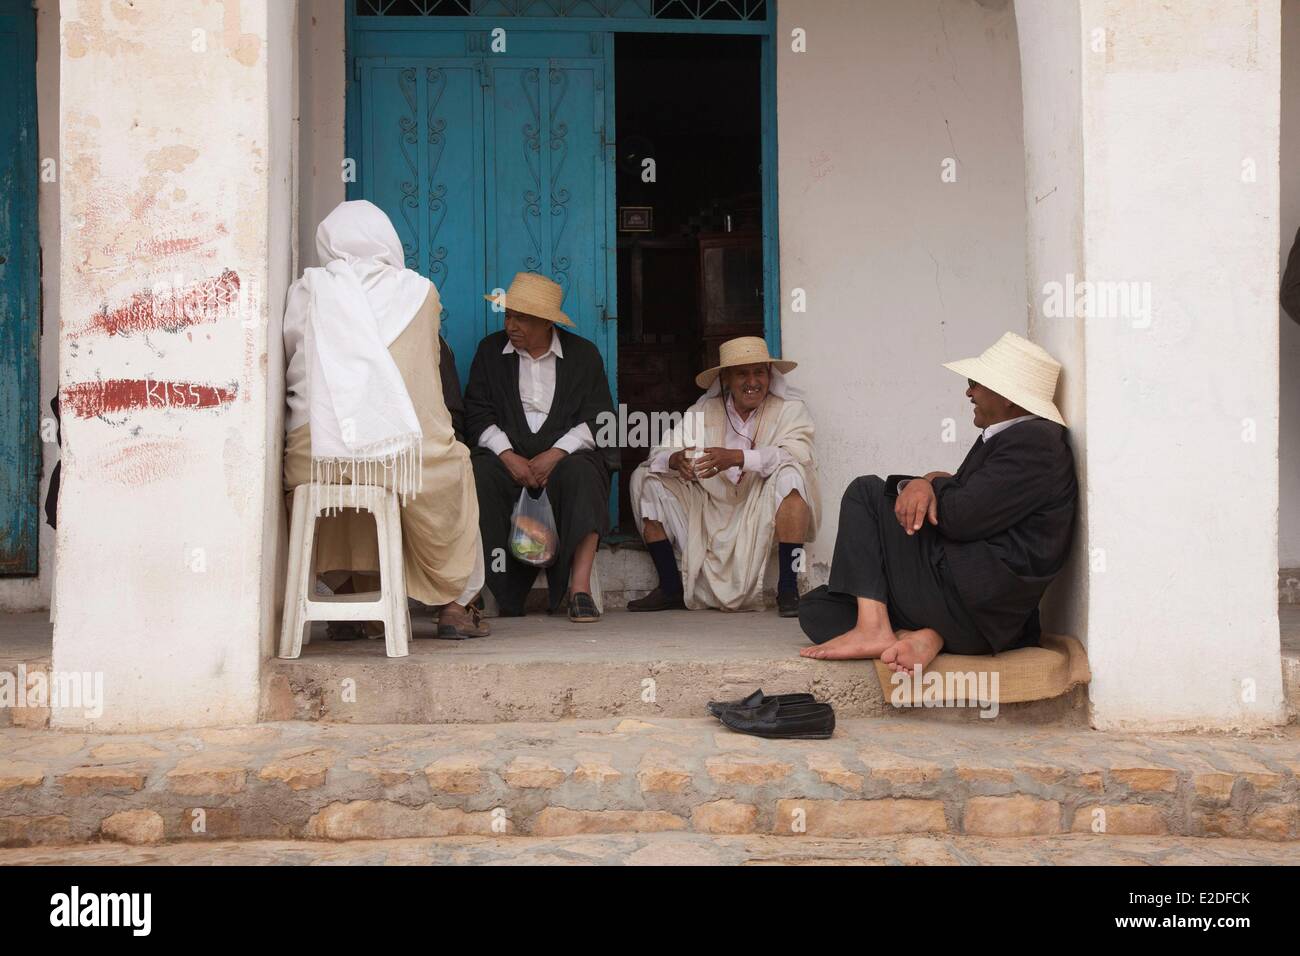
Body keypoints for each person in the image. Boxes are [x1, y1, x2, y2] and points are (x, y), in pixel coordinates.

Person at [798, 332, 1076, 673]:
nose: (968, 392)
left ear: (1007, 396)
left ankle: (874, 629)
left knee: (866, 493)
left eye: (975, 383)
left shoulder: (1034, 443)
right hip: (966, 616)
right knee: (818, 607)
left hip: (973, 604)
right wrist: (927, 482)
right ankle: (919, 636)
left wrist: (928, 483)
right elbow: (969, 499)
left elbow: (960, 516)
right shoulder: (1010, 439)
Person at [282, 200, 489, 640]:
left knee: (352, 474)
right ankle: (456, 604)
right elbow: (427, 382)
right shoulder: (421, 291)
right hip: (407, 457)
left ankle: (358, 598)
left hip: (314, 454)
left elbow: (293, 363)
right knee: (457, 468)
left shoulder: (309, 289)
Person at [464, 272, 618, 623]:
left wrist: (557, 453)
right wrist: (506, 455)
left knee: (586, 473)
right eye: (508, 316)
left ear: (547, 322)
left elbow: (601, 419)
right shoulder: (490, 352)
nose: (511, 325)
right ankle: (493, 587)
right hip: (507, 462)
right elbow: (477, 412)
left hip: (562, 463)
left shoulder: (583, 355)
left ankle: (579, 590)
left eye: (522, 318)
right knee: (477, 472)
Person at [627, 336, 819, 615]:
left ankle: (789, 590)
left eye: (759, 372)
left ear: (769, 375)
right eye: (742, 373)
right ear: (726, 378)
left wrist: (737, 457)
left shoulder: (790, 410)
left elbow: (797, 453)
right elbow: (658, 451)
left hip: (758, 503)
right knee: (645, 478)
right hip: (708, 510)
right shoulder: (704, 410)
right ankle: (670, 586)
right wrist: (675, 458)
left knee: (792, 477)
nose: (752, 382)